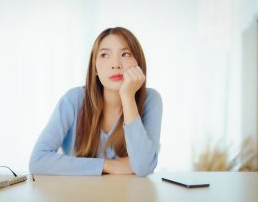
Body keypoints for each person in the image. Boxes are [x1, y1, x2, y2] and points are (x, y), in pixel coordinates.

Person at [29, 27, 162, 177]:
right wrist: (107, 165)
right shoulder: (73, 100)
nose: (116, 64)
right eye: (105, 55)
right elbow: (37, 161)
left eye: (125, 54)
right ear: (95, 68)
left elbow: (144, 167)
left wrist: (127, 97)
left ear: (138, 62)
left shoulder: (151, 100)